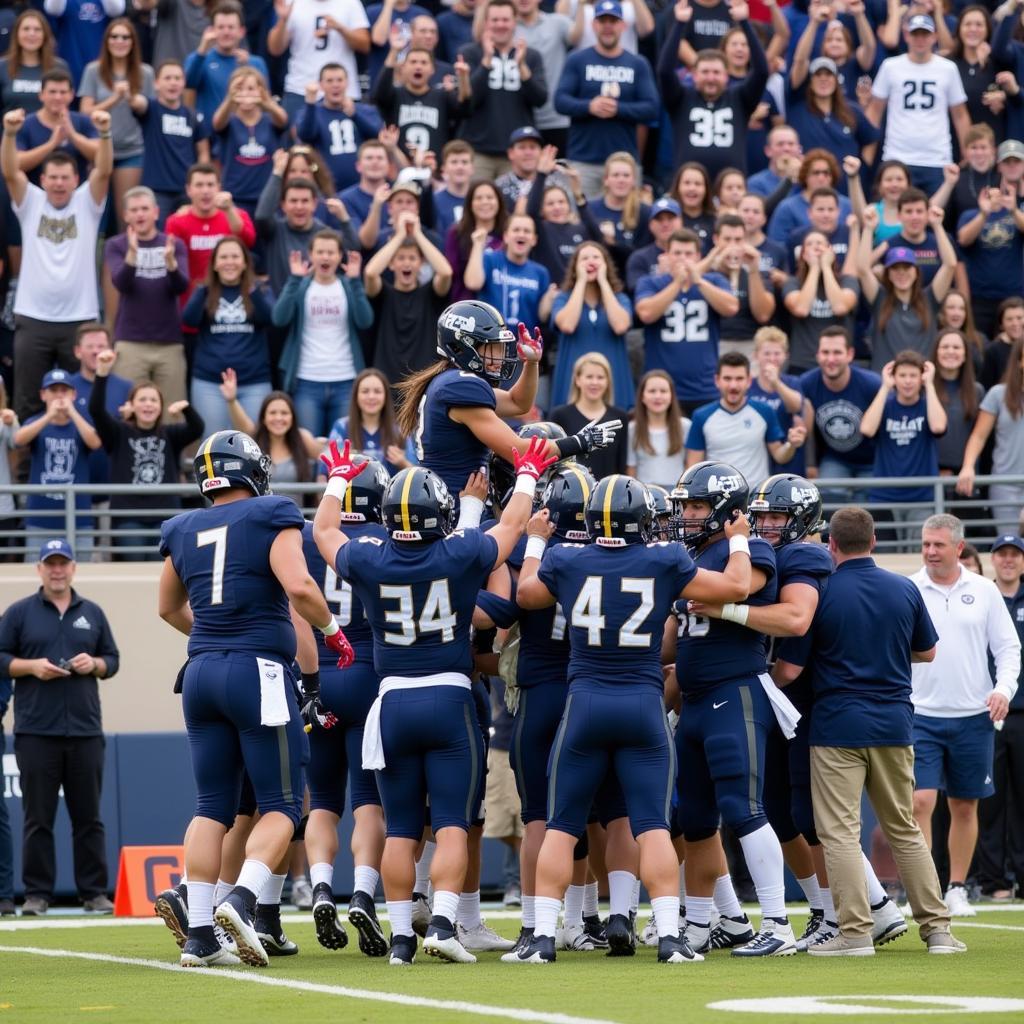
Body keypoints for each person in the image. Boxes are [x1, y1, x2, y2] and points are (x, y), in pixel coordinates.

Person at [312, 435, 550, 965]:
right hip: (448, 698)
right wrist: (529, 473)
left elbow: (325, 530)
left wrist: (335, 479)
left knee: (400, 827)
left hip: (391, 702)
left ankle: (401, 940)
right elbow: (510, 529)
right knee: (449, 823)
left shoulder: (372, 560)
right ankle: (442, 923)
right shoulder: (460, 551)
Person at [511, 472, 754, 964]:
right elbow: (738, 586)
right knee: (652, 827)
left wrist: (535, 540)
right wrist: (740, 538)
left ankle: (540, 939)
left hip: (584, 704)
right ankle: (669, 937)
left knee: (560, 826)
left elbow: (527, 594)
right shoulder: (664, 559)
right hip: (642, 703)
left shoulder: (566, 559)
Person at [158, 429, 355, 967]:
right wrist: (335, 633)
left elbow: (168, 608)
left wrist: (217, 634)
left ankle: (200, 934)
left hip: (199, 673)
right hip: (257, 672)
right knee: (285, 806)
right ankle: (242, 900)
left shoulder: (180, 527)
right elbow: (299, 587)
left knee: (211, 808)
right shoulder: (272, 513)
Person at [772, 506, 964, 956]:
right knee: (905, 829)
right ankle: (937, 931)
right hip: (895, 723)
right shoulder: (905, 589)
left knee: (839, 833)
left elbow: (791, 668)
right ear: (874, 541)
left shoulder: (822, 593)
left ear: (831, 545)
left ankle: (855, 933)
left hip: (837, 726)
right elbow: (928, 652)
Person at [667, 461, 798, 957]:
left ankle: (779, 924)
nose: (687, 515)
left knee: (744, 810)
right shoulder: (693, 553)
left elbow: (742, 586)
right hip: (696, 701)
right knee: (696, 820)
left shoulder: (748, 549)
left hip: (735, 693)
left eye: (697, 506)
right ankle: (700, 923)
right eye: (685, 506)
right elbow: (672, 640)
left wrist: (739, 540)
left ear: (725, 512)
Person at [396, 299, 621, 509]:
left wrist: (531, 363)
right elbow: (520, 452)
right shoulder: (459, 386)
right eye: (491, 346)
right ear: (462, 346)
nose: (500, 354)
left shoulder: (451, 381)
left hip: (458, 501)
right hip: (457, 508)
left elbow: (518, 403)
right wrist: (581, 442)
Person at [297, 454, 391, 957]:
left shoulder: (311, 539)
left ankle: (318, 887)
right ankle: (361, 892)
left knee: (323, 800)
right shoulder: (384, 541)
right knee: (368, 800)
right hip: (369, 674)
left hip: (318, 674)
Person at [908, 514, 1020, 917]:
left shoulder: (985, 591)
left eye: (938, 545)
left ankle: (957, 887)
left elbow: (1008, 649)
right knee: (920, 802)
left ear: (959, 548)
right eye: (925, 544)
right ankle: (924, 891)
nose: (930, 552)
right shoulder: (909, 589)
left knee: (965, 806)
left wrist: (1003, 689)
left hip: (974, 716)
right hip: (920, 714)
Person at [0, 538, 119, 916]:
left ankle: (94, 892)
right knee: (38, 818)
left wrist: (95, 664)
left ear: (73, 568)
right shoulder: (19, 613)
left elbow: (112, 660)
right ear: (39, 568)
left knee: (89, 817)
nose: (57, 569)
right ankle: (37, 894)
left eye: (63, 563)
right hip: (36, 731)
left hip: (85, 729)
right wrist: (31, 667)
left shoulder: (93, 612)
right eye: (50, 563)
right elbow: (1, 658)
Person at [3, 105, 111, 421]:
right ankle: (23, 472)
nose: (59, 184)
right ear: (43, 179)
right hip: (33, 316)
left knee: (85, 402)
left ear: (76, 179)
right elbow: (10, 170)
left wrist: (104, 133)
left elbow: (104, 170)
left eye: (66, 178)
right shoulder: (30, 201)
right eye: (53, 178)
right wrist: (9, 134)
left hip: (80, 319)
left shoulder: (86, 203)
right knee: (27, 400)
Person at [88, 348, 204, 558]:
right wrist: (102, 373)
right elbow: (96, 410)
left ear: (160, 407)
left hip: (165, 517)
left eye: (153, 400)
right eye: (142, 400)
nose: (148, 404)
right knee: (134, 567)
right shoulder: (118, 433)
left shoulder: (170, 434)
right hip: (129, 517)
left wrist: (186, 408)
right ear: (131, 406)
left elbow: (197, 428)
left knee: (160, 573)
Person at [552, 0, 658, 198]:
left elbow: (652, 108)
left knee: (628, 222)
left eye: (613, 21)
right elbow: (560, 101)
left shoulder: (637, 63)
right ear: (594, 25)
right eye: (602, 21)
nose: (608, 26)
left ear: (623, 25)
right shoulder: (577, 59)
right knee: (580, 220)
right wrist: (589, 106)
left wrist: (618, 109)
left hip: (624, 161)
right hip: (584, 160)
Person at [273, 230, 374, 435]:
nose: (325, 257)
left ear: (339, 256)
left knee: (344, 449)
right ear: (311, 255)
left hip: (345, 379)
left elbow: (366, 321)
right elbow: (279, 318)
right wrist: (293, 279)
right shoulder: (301, 286)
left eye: (331, 252)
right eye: (320, 252)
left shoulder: (347, 285)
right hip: (306, 380)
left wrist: (355, 281)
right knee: (310, 446)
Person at [658, 0, 768, 180]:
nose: (711, 78)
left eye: (716, 72)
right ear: (693, 75)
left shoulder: (739, 98)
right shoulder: (681, 98)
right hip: (690, 186)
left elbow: (762, 71)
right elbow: (664, 71)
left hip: (729, 188)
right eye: (705, 72)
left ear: (726, 76)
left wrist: (745, 23)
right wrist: (679, 24)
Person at [635, 228, 738, 416]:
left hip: (705, 387)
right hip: (662, 389)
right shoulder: (651, 283)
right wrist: (676, 284)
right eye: (677, 253)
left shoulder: (714, 280)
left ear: (698, 256)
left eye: (688, 253)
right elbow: (646, 313)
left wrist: (698, 281)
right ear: (667, 254)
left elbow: (731, 307)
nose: (683, 258)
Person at [105, 186, 190, 409]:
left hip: (169, 342)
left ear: (156, 212)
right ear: (125, 215)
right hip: (130, 341)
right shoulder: (116, 245)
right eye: (134, 210)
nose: (140, 214)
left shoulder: (174, 244)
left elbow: (181, 286)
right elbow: (121, 283)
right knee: (129, 410)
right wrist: (132, 255)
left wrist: (171, 264)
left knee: (173, 413)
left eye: (144, 209)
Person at [867, 14, 969, 196]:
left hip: (937, 156)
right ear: (906, 36)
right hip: (897, 155)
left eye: (925, 34)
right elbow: (875, 111)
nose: (920, 39)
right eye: (915, 34)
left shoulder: (947, 68)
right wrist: (868, 148)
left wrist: (966, 151)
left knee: (935, 216)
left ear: (934, 36)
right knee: (895, 217)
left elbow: (960, 114)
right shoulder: (891, 66)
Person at [975, 534, 1024, 901]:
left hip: (1022, 712)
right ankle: (995, 882)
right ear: (993, 559)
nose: (1008, 560)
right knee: (989, 801)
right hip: (986, 711)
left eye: (1014, 554)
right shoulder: (982, 595)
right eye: (1001, 554)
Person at [182, 236, 273, 432]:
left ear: (245, 263)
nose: (229, 262)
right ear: (214, 264)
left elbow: (269, 319)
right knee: (213, 447)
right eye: (223, 257)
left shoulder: (259, 290)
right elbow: (188, 320)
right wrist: (203, 289)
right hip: (210, 383)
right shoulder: (204, 291)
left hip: (254, 382)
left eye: (235, 257)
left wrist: (252, 290)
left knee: (253, 447)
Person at [859, 352, 948, 549]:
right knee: (885, 557)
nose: (908, 381)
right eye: (902, 375)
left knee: (918, 555)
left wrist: (930, 385)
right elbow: (866, 429)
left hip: (921, 497)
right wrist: (884, 387)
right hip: (884, 497)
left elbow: (938, 427)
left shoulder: (928, 405)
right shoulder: (885, 405)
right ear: (894, 377)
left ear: (921, 378)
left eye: (913, 375)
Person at [14, 369, 102, 560]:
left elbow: (95, 442)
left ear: (74, 394)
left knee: (83, 575)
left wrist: (72, 412)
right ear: (43, 395)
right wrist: (48, 416)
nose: (59, 395)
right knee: (37, 573)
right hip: (40, 518)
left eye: (65, 390)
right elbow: (19, 439)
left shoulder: (82, 423)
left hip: (79, 519)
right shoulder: (35, 422)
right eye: (53, 390)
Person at [456, 0, 548, 180]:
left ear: (515, 21)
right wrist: (487, 62)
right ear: (486, 22)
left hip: (517, 152)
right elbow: (467, 103)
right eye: (495, 20)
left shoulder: (530, 56)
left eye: (505, 20)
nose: (500, 25)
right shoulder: (470, 53)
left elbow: (540, 100)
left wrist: (522, 67)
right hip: (478, 151)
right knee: (478, 205)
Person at [686, 352, 805, 488]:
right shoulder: (701, 416)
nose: (733, 385)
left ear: (749, 381)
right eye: (727, 379)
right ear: (717, 380)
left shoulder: (765, 411)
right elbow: (693, 468)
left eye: (739, 378)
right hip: (716, 499)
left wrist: (791, 444)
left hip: (755, 499)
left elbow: (779, 455)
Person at [78, 18, 154, 226]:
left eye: (125, 37)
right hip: (98, 151)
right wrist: (114, 98)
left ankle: (125, 257)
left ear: (133, 42)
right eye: (114, 36)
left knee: (127, 216)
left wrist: (129, 97)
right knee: (96, 216)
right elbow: (85, 111)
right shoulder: (93, 70)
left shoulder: (145, 72)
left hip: (132, 150)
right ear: (107, 41)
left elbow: (148, 107)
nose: (119, 41)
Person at [364, 211, 454, 384]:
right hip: (387, 380)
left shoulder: (430, 294)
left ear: (421, 263)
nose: (406, 263)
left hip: (422, 381)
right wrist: (400, 236)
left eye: (412, 258)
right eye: (400, 258)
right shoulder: (383, 293)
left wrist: (417, 234)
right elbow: (370, 273)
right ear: (391, 264)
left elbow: (446, 272)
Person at [798, 326, 880, 501]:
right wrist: (811, 464)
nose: (830, 359)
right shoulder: (806, 384)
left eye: (837, 352)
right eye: (825, 352)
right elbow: (804, 429)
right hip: (835, 458)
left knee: (869, 509)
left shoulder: (872, 384)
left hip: (871, 461)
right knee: (827, 500)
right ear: (817, 355)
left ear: (850, 354)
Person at [548, 241, 632, 410]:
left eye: (596, 257)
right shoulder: (563, 298)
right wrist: (580, 282)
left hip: (612, 382)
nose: (591, 261)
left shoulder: (620, 299)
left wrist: (603, 282)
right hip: (573, 385)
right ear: (575, 267)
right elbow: (567, 325)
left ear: (606, 264)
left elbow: (620, 325)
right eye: (584, 258)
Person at [957, 338, 1024, 535]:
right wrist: (968, 466)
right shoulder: (998, 394)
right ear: (1019, 361)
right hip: (1005, 485)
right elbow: (978, 436)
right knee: (1009, 547)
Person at [165, 162, 256, 302]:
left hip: (232, 302)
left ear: (219, 188)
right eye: (199, 185)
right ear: (188, 190)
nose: (205, 191)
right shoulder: (176, 222)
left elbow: (248, 241)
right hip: (191, 302)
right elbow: (174, 267)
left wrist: (229, 210)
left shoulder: (237, 215)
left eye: (210, 185)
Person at [268, 0, 370, 118]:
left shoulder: (350, 3)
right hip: (300, 88)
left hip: (342, 90)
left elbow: (365, 45)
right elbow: (275, 49)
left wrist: (340, 28)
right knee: (297, 135)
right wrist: (283, 20)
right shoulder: (292, 3)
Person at [780, 230, 858, 375]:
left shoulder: (847, 281)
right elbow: (801, 308)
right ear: (803, 254)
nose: (815, 247)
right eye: (809, 244)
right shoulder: (793, 283)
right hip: (802, 363)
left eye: (820, 243)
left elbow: (840, 307)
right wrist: (815, 268)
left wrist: (826, 267)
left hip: (839, 363)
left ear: (831, 251)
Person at [183, 1, 269, 126]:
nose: (226, 32)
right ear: (211, 30)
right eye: (221, 27)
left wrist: (247, 69)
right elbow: (188, 83)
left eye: (231, 27)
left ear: (241, 31)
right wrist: (202, 49)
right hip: (208, 135)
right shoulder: (199, 58)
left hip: (244, 137)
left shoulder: (255, 63)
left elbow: (266, 103)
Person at [549, 351, 628, 479]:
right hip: (569, 494)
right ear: (577, 380)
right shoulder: (559, 415)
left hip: (608, 495)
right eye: (589, 377)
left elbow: (621, 466)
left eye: (600, 377)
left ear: (608, 381)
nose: (595, 382)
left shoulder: (619, 418)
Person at [327, 367, 417, 475]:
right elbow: (324, 473)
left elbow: (417, 473)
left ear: (386, 396)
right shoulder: (341, 426)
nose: (371, 396)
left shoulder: (400, 429)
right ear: (356, 396)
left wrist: (402, 462)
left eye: (377, 391)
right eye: (365, 391)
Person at [625, 369, 690, 488]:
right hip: (645, 493)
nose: (658, 396)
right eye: (652, 391)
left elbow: (690, 466)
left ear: (671, 396)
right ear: (642, 397)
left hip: (677, 494)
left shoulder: (685, 426)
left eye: (663, 391)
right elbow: (631, 469)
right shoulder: (632, 429)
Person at [0, 10, 69, 115]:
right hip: (10, 130)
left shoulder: (59, 67)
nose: (31, 34)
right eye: (26, 29)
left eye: (37, 29)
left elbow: (67, 107)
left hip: (51, 131)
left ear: (45, 35)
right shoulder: (2, 66)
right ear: (17, 34)